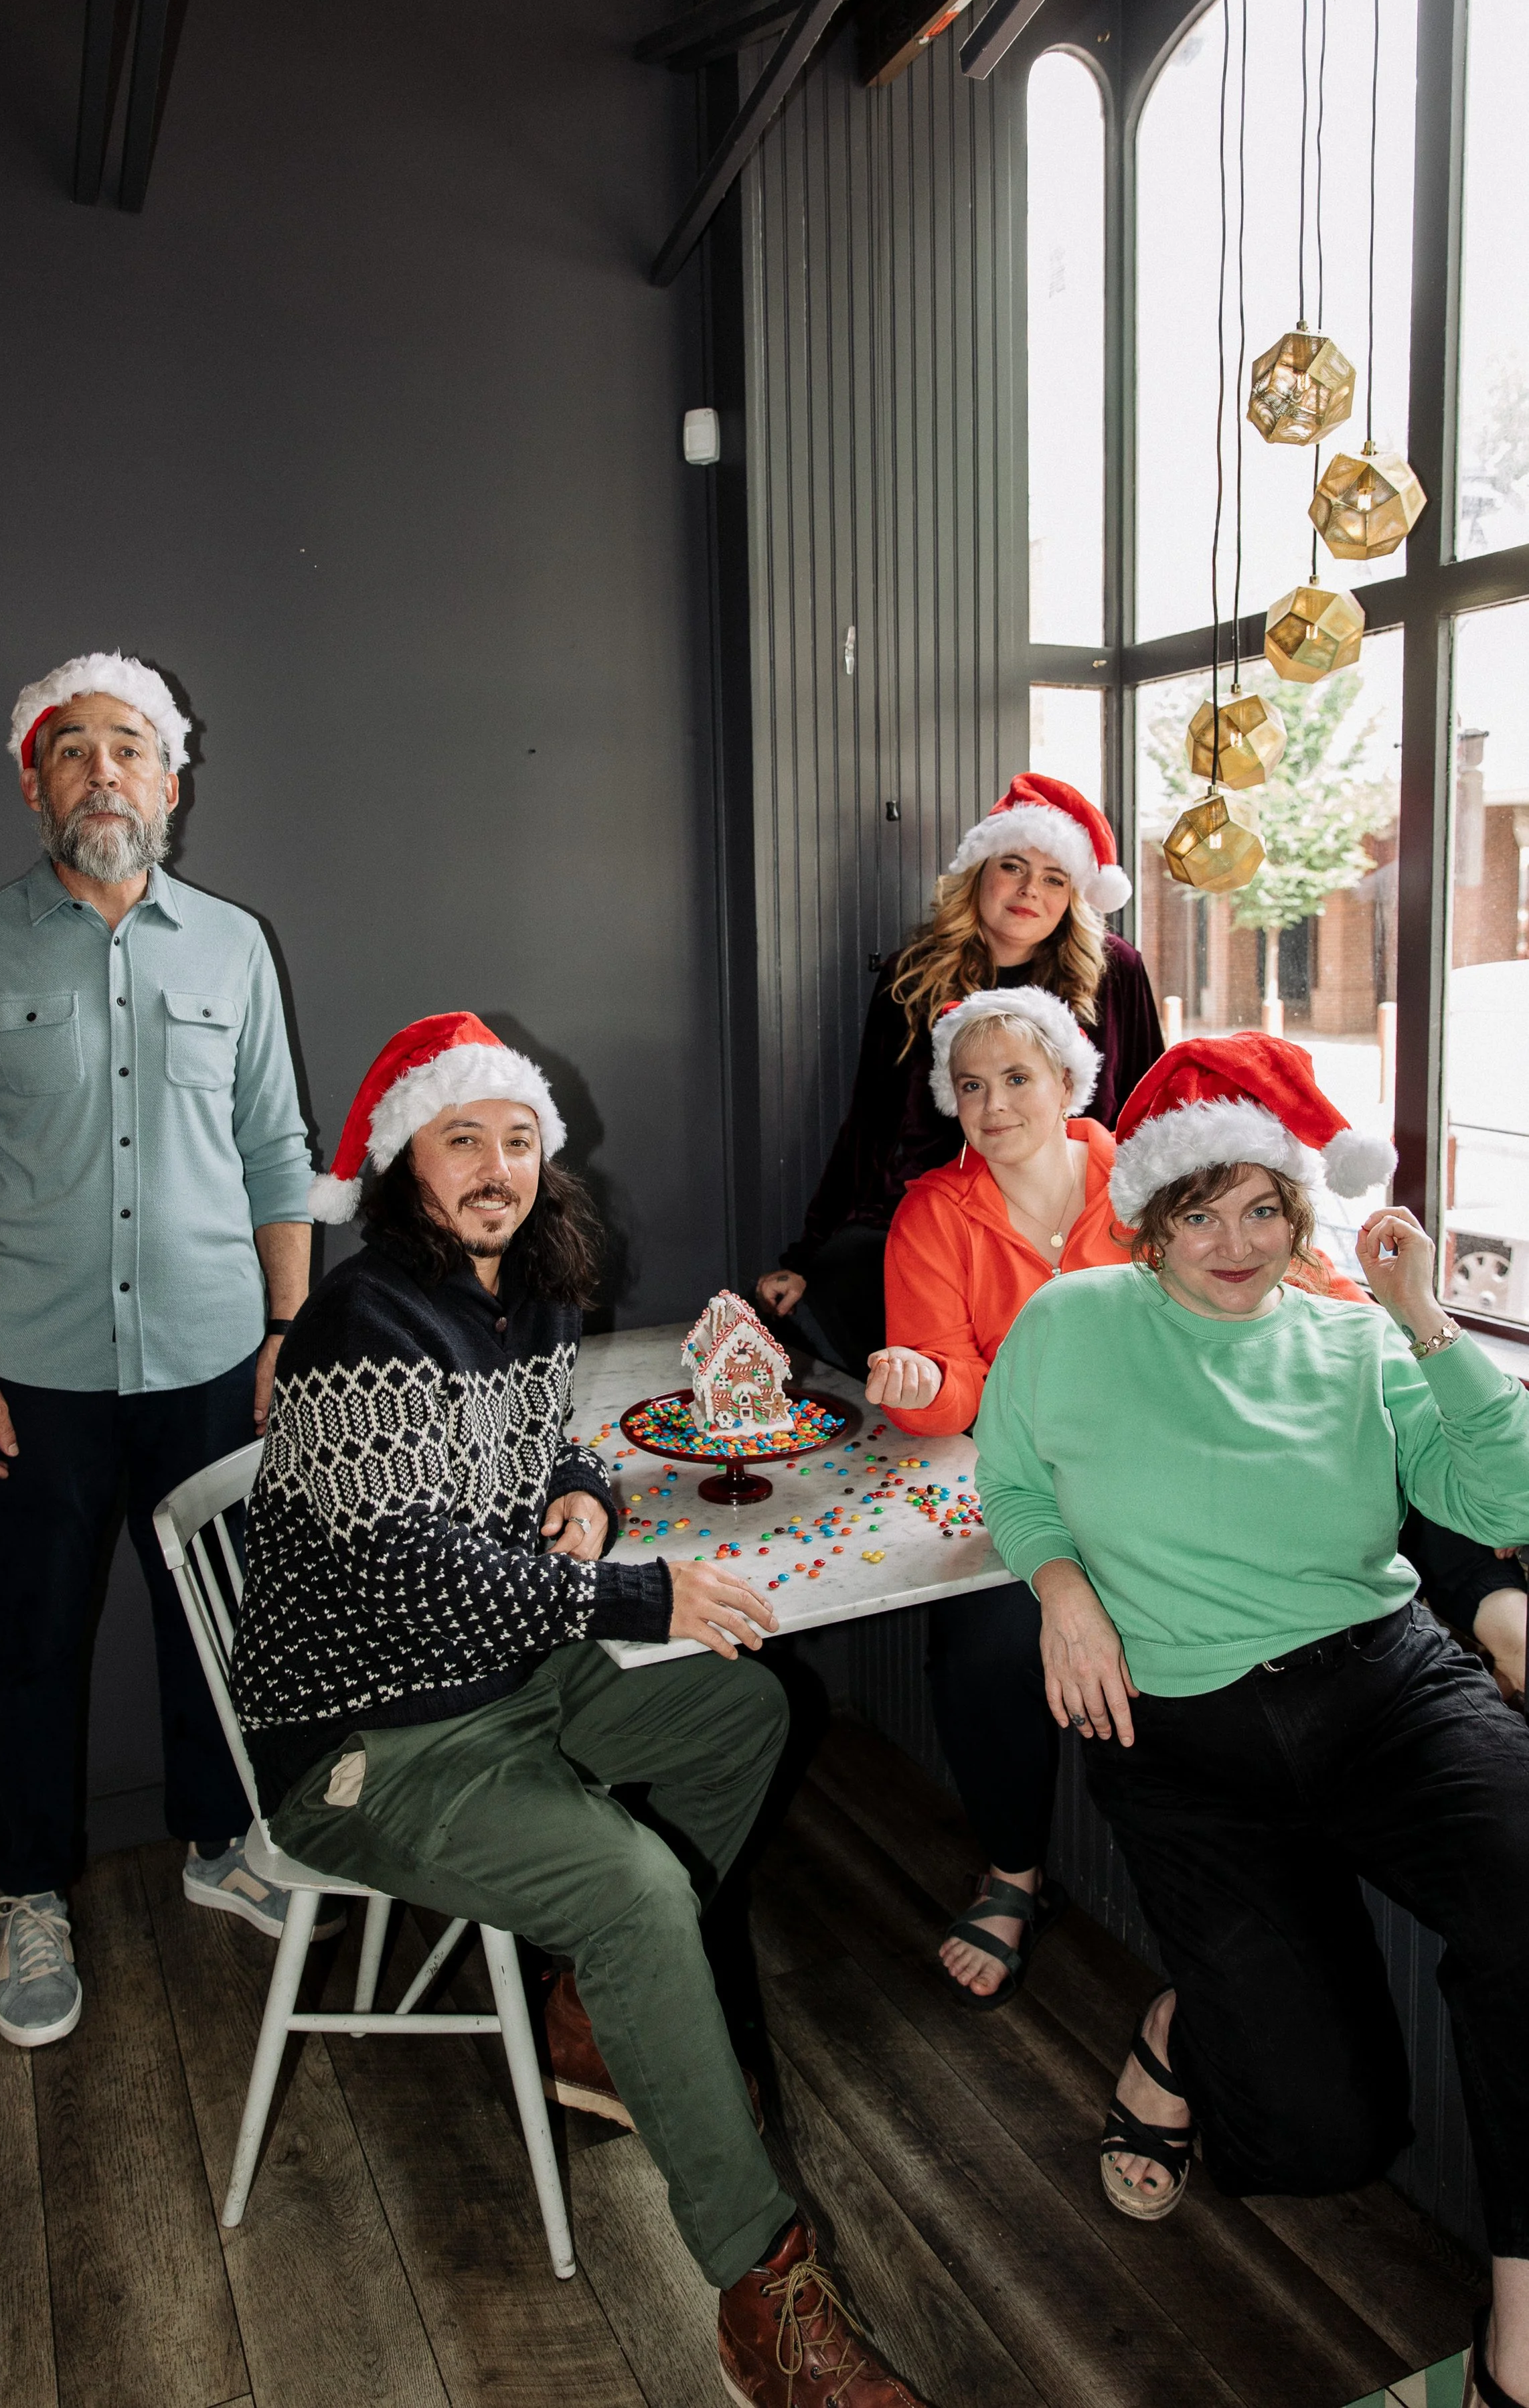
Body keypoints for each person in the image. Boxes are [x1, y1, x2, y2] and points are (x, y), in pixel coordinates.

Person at [231, 1012, 932, 2408]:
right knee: (630, 1882)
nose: (495, 1165)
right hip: (370, 1733)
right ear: (402, 1167)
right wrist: (631, 1594)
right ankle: (759, 2288)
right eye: (460, 1139)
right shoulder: (362, 1319)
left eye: (514, 1137)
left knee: (744, 1718)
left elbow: (543, 1444)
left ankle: (583, 2008)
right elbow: (412, 1568)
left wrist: (587, 1496)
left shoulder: (530, 1289)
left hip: (507, 1676)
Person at [973, 1035, 1529, 2408]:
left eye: (1263, 1207)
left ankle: (1518, 2338)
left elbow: (1501, 1506)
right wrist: (1057, 1587)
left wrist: (1427, 1320)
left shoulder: (1350, 1333)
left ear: (1300, 1212)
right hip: (1183, 1741)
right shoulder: (1073, 1320)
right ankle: (1181, 2024)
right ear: (1150, 1218)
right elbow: (1010, 1475)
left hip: (1383, 1684)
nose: (1233, 1242)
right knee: (1314, 2132)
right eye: (1198, 1210)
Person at [0, 653, 322, 2052]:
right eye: (71, 751)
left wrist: (281, 1330)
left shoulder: (234, 944)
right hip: (34, 1375)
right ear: (35, 784)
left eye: (127, 749)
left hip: (211, 1357)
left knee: (215, 1625)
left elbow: (277, 1150)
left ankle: (220, 1839)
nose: (101, 773)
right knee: (32, 1637)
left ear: (171, 784)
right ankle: (28, 1890)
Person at [864, 987, 1124, 2008]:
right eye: (971, 1085)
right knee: (980, 1642)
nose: (995, 1101)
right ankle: (1013, 1872)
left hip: (1158, 1469)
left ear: (1068, 1081)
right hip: (1022, 1480)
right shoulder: (934, 1211)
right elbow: (952, 1380)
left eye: (1018, 1077)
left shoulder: (1140, 1178)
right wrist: (926, 1390)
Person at [756, 774, 1162, 1380]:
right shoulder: (913, 976)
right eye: (1014, 867)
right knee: (849, 1280)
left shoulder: (1114, 972)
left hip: (1069, 1214)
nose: (1031, 891)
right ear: (980, 873)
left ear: (1075, 894)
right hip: (940, 1215)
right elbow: (869, 1124)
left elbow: (1149, 1109)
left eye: (1055, 879)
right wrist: (807, 1255)